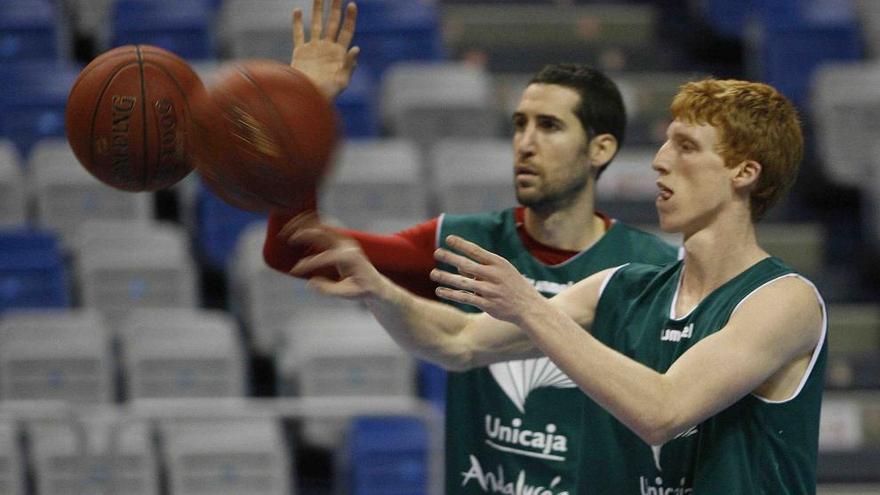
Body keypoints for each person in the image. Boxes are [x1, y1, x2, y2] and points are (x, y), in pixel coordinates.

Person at [286, 78, 827, 494]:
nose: (660, 162)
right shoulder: (622, 287)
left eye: (686, 147)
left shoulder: (785, 300)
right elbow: (460, 343)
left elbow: (664, 411)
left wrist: (529, 305)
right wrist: (382, 292)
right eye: (664, 144)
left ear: (744, 173)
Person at [264, 0, 677, 492]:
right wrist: (305, 107)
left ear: (601, 149)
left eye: (548, 126)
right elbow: (293, 248)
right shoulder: (461, 243)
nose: (525, 142)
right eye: (520, 124)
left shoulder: (654, 268)